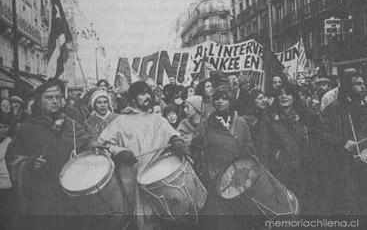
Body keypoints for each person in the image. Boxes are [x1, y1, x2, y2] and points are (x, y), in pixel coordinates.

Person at [5, 79, 93, 229]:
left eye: (58, 97)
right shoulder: (26, 128)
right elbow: (13, 159)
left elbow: (86, 142)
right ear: (39, 101)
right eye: (49, 97)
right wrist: (30, 164)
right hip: (41, 196)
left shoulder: (71, 125)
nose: (55, 101)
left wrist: (94, 145)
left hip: (70, 195)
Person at [98, 81, 187, 230]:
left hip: (156, 182)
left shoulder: (157, 119)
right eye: (142, 93)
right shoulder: (120, 121)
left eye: (148, 93)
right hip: (130, 181)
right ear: (133, 98)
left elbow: (171, 133)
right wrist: (119, 152)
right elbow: (102, 144)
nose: (147, 96)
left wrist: (176, 140)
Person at [191, 85, 254, 230]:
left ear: (230, 101)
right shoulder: (206, 123)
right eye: (217, 98)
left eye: (224, 98)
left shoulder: (241, 122)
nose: (220, 101)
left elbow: (249, 144)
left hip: (238, 176)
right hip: (216, 177)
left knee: (240, 216)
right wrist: (198, 141)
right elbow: (196, 149)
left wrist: (245, 157)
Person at [260, 83, 320, 213]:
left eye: (287, 93)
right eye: (280, 94)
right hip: (282, 171)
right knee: (287, 208)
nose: (284, 96)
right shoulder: (269, 118)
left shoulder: (303, 116)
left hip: (304, 169)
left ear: (294, 97)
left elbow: (313, 141)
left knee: (305, 206)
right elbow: (264, 147)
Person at [320, 69, 367, 215]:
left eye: (364, 83)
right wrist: (342, 143)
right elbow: (321, 134)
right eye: (358, 84)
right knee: (350, 205)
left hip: (364, 164)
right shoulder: (334, 109)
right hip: (344, 167)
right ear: (347, 87)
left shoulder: (364, 107)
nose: (363, 87)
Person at [0, 117, 14, 230]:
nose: (2, 130)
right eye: (0, 127)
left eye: (5, 127)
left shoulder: (11, 142)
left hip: (8, 183)